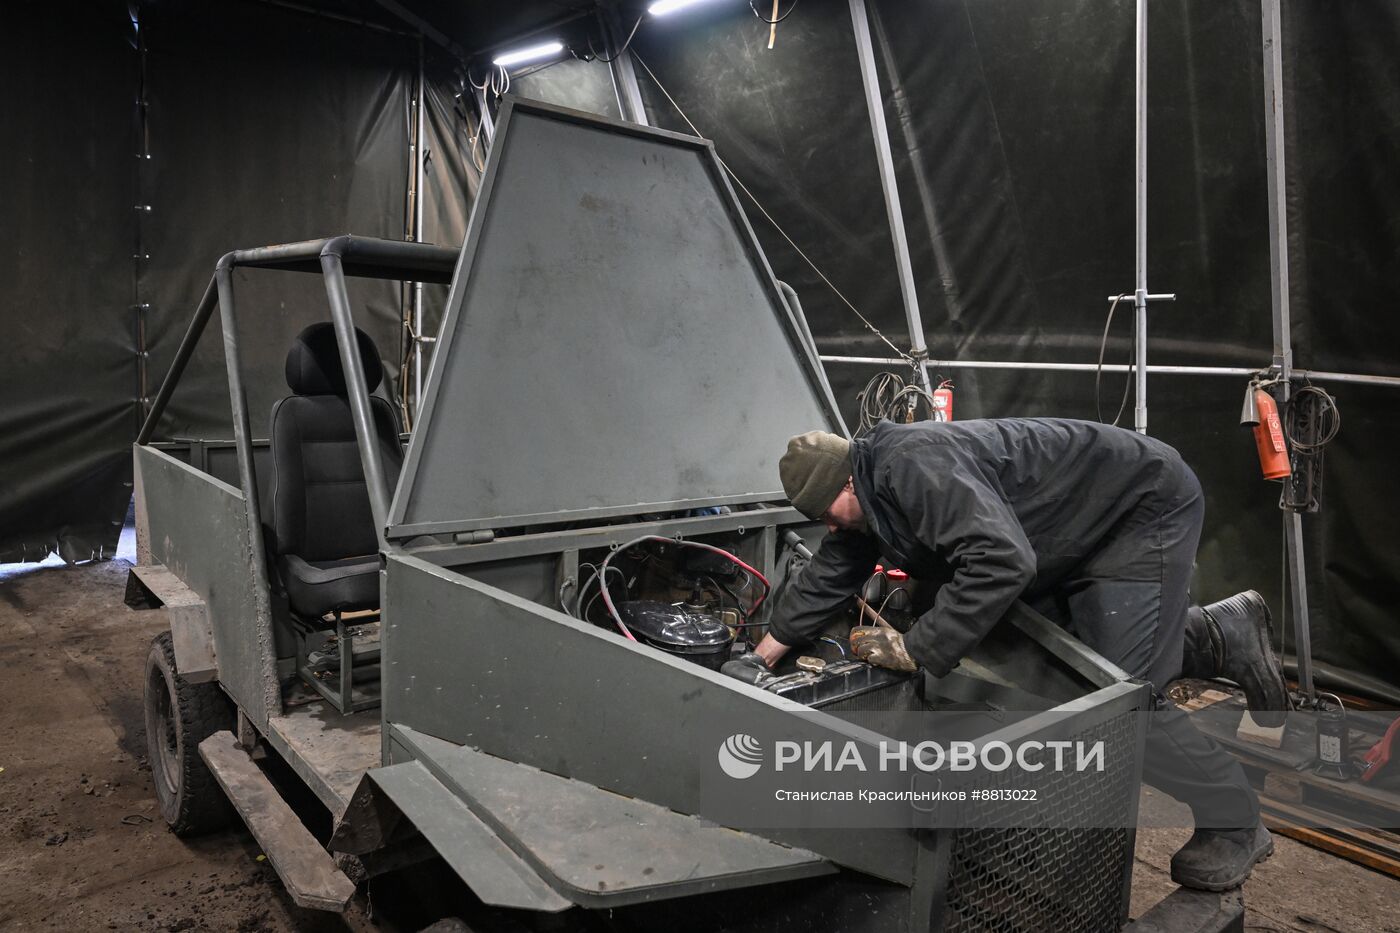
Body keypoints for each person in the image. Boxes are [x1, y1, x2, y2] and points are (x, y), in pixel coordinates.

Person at [722, 419, 1288, 891]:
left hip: (1139, 510)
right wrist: (763, 655)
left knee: (1122, 706)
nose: (826, 527)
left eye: (825, 514)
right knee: (1061, 660)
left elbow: (1001, 562)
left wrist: (916, 648)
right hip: (1067, 526)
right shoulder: (869, 485)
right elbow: (831, 573)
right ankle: (1216, 635)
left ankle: (1236, 822)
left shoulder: (914, 467)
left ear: (847, 484)